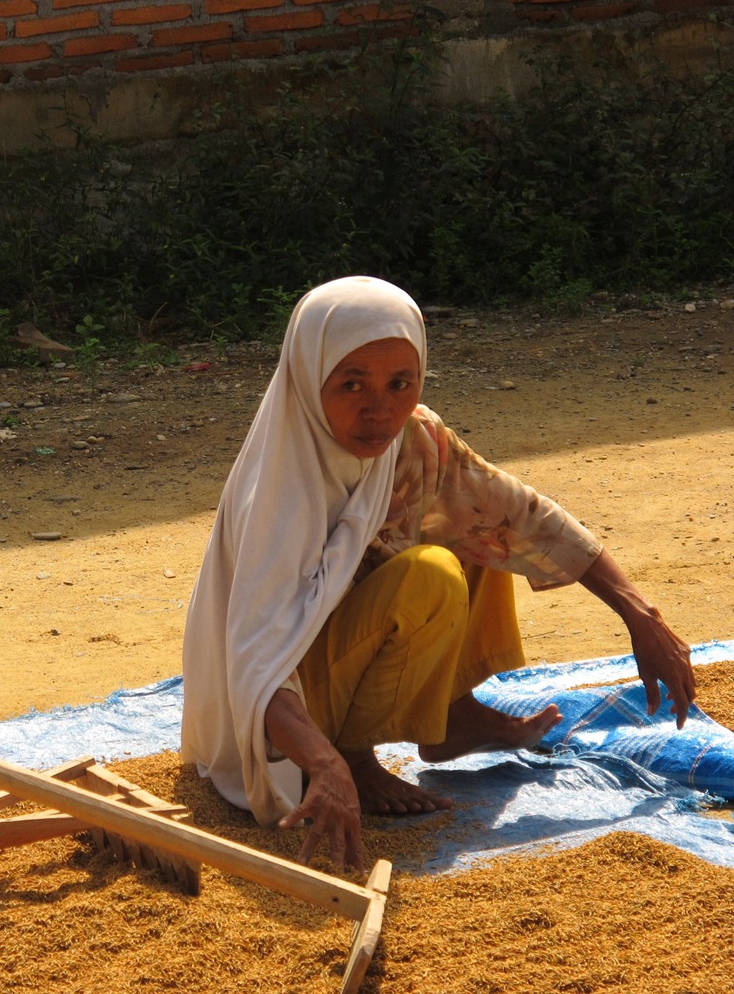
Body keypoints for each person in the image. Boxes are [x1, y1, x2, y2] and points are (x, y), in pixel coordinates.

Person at [180, 275, 694, 872]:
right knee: (431, 574)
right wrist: (326, 765)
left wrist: (641, 615)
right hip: (272, 717)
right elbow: (255, 665)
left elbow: (527, 515)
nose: (380, 409)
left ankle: (454, 713)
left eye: (401, 383)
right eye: (351, 385)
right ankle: (354, 752)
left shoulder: (416, 440)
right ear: (306, 379)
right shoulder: (280, 492)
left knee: (480, 520)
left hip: (328, 666)